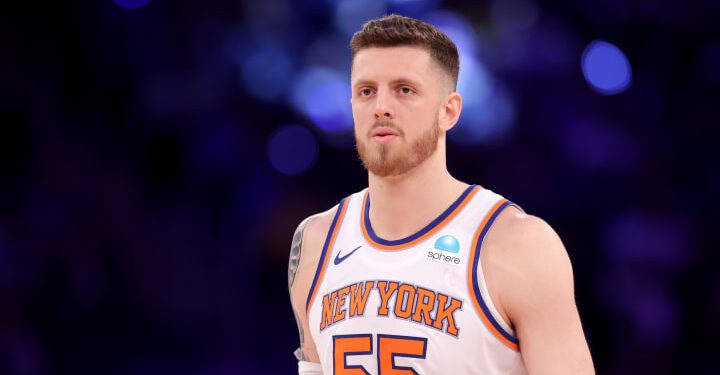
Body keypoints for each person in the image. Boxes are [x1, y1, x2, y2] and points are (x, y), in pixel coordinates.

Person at [288, 14, 594, 375]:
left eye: (404, 89)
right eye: (366, 91)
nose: (381, 107)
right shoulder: (315, 241)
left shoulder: (516, 243)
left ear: (449, 111)